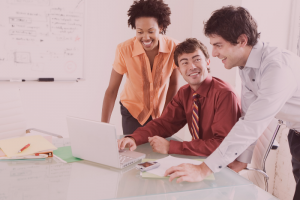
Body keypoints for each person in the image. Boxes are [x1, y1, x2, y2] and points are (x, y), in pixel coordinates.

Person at [164, 6, 300, 200]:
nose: (214, 52)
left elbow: (251, 125)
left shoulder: (276, 68)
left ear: (242, 40)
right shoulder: (247, 68)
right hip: (296, 135)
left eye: (218, 45)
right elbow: (247, 116)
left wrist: (204, 169)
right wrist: (241, 162)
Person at [118, 38, 241, 157]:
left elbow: (222, 145)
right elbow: (164, 124)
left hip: (224, 165)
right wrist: (134, 138)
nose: (192, 67)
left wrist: (171, 147)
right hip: (198, 161)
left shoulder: (225, 94)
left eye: (197, 59)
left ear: (207, 62)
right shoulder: (184, 93)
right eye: (184, 63)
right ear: (180, 70)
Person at [101, 0, 180, 135]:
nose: (145, 37)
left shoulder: (174, 47)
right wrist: (103, 127)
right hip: (133, 111)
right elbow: (112, 90)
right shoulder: (124, 49)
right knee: (135, 152)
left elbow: (173, 84)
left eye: (150, 31)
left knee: (158, 152)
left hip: (160, 112)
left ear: (160, 27)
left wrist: (166, 117)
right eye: (140, 32)